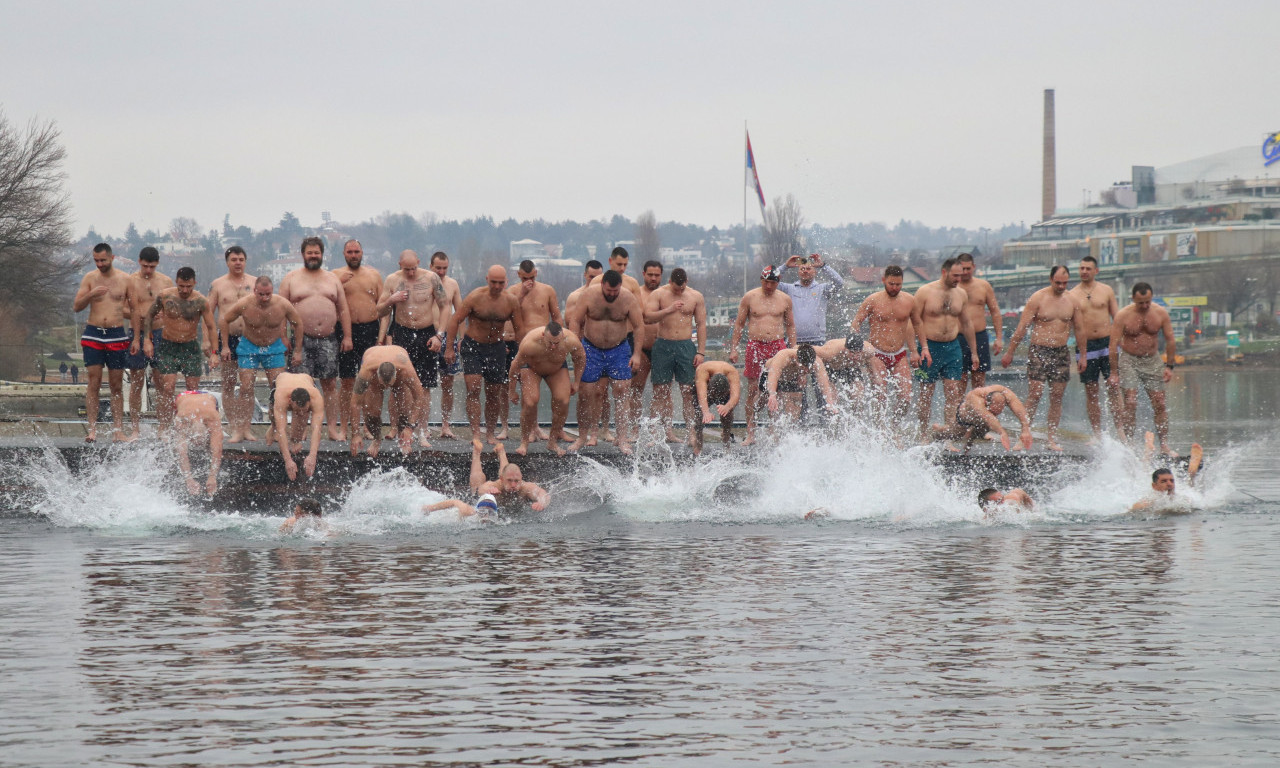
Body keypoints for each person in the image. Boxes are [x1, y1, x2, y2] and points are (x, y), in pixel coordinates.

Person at [1000, 265, 1087, 451]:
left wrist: (1083, 355)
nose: (1062, 286)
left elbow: (1079, 329)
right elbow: (1022, 327)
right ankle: (1023, 436)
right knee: (1035, 394)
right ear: (1050, 280)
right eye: (1058, 283)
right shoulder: (1038, 298)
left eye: (1065, 283)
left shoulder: (1072, 300)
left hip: (1061, 352)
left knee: (1057, 396)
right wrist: (1010, 352)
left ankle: (1051, 439)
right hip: (1039, 350)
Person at [278, 236, 353, 441]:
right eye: (310, 253)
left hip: (329, 339)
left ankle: (331, 429)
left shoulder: (332, 278)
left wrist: (347, 336)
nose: (313, 256)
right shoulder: (291, 278)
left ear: (322, 254)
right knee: (301, 387)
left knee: (329, 385)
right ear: (303, 254)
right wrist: (283, 337)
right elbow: (280, 309)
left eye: (316, 253)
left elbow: (343, 309)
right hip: (301, 341)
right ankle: (301, 430)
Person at [566, 270, 645, 454]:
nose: (611, 294)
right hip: (591, 348)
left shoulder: (627, 298)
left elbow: (639, 326)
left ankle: (622, 439)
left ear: (620, 287)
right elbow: (575, 321)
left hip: (618, 349)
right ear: (602, 285)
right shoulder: (589, 295)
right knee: (585, 393)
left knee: (622, 390)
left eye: (615, 291)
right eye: (609, 291)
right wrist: (576, 347)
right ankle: (582, 436)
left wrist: (637, 355)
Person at [445, 265, 524, 445]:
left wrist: (522, 355)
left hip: (497, 348)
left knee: (493, 393)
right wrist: (449, 348)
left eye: (501, 283)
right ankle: (475, 434)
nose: (497, 286)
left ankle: (489, 433)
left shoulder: (511, 301)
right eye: (494, 282)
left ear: (506, 282)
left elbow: (520, 329)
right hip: (473, 345)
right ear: (487, 279)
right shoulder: (475, 297)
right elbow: (456, 320)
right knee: (473, 389)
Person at [376, 250, 447, 446]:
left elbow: (445, 306)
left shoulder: (431, 278)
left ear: (419, 262)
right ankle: (402, 429)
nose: (410, 273)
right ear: (399, 264)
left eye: (413, 268)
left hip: (426, 333)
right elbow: (379, 310)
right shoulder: (392, 280)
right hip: (402, 333)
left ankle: (422, 431)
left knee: (424, 386)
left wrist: (439, 335)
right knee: (401, 385)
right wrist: (392, 299)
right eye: (406, 269)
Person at [138, 267, 218, 435]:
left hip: (190, 346)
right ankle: (164, 426)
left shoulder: (201, 301)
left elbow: (211, 326)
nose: (184, 290)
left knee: (192, 389)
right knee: (167, 387)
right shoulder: (165, 296)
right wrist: (147, 340)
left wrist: (214, 353)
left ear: (194, 283)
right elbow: (149, 316)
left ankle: (191, 426)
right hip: (168, 346)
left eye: (188, 286)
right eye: (181, 286)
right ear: (177, 282)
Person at [219, 276, 303, 436]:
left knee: (277, 389)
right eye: (261, 295)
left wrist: (298, 350)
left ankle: (277, 429)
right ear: (255, 291)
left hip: (274, 347)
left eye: (268, 294)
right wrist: (224, 346)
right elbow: (224, 320)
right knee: (245, 387)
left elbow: (298, 323)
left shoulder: (282, 304)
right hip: (249, 347)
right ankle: (243, 430)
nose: (264, 298)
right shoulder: (245, 304)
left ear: (272, 291)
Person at [911, 259, 979, 442]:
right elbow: (914, 322)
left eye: (961, 275)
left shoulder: (961, 294)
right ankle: (924, 433)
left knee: (953, 392)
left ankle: (948, 435)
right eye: (955, 275)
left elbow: (966, 323)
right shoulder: (925, 292)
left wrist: (973, 352)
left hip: (953, 347)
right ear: (944, 272)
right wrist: (918, 349)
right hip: (929, 347)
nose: (959, 278)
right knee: (926, 392)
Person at [73, 243, 135, 442]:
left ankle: (118, 430)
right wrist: (91, 294)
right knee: (94, 382)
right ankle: (92, 430)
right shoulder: (90, 278)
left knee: (116, 385)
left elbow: (134, 311)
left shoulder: (125, 279)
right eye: (96, 260)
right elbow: (76, 307)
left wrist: (138, 337)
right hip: (93, 333)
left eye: (103, 260)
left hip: (117, 333)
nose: (99, 264)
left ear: (112, 258)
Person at [728, 265, 796, 445]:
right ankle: (751, 432)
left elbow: (790, 326)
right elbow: (739, 324)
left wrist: (794, 350)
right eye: (766, 282)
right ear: (761, 280)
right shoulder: (750, 297)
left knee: (777, 391)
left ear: (778, 283)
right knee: (752, 390)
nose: (769, 287)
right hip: (755, 345)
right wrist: (734, 348)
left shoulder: (785, 299)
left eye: (773, 283)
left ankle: (774, 431)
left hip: (777, 346)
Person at [1109, 282, 1178, 455]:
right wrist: (1114, 372)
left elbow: (1170, 339)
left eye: (1148, 301)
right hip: (1129, 359)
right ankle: (1130, 445)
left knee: (1160, 403)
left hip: (1152, 360)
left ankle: (1163, 445)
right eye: (1141, 302)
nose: (1145, 305)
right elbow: (1113, 344)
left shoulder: (1160, 313)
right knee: (1130, 402)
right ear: (1133, 299)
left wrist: (1169, 366)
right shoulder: (1123, 315)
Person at [501, 259, 563, 442]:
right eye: (525, 277)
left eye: (532, 277)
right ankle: (505, 427)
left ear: (537, 273)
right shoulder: (512, 291)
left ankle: (534, 427)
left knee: (532, 390)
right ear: (519, 275)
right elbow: (505, 314)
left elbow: (557, 316)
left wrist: (560, 338)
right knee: (508, 386)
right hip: (518, 344)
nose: (529, 280)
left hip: (542, 345)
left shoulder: (547, 290)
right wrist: (522, 293)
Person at [645, 268, 707, 445]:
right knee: (660, 392)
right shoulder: (659, 294)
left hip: (685, 345)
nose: (679, 291)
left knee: (688, 392)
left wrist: (701, 352)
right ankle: (658, 434)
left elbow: (701, 324)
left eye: (682, 288)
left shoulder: (695, 296)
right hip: (663, 344)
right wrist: (669, 310)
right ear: (670, 282)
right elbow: (647, 317)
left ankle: (691, 434)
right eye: (676, 288)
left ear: (686, 281)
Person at [332, 239, 384, 444]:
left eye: (357, 251)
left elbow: (383, 308)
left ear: (363, 253)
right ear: (344, 254)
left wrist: (382, 337)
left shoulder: (374, 275)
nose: (354, 255)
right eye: (350, 252)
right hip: (345, 330)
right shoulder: (335, 275)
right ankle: (345, 427)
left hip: (370, 330)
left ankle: (368, 426)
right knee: (346, 382)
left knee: (370, 383)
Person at [850, 265, 919, 421]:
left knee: (906, 399)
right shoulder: (873, 300)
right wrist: (857, 346)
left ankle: (893, 428)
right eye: (891, 284)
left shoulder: (909, 300)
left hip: (899, 354)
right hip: (876, 353)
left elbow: (917, 324)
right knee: (880, 395)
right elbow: (856, 322)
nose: (894, 288)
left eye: (898, 284)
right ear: (884, 280)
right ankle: (879, 429)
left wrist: (916, 350)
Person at [507, 321, 585, 456]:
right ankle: (524, 442)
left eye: (557, 343)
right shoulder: (530, 343)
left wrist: (577, 382)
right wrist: (512, 390)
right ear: (543, 335)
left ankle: (552, 442)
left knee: (563, 400)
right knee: (530, 401)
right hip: (531, 368)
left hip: (556, 369)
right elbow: (514, 366)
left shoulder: (571, 340)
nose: (554, 347)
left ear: (562, 337)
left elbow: (580, 358)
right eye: (550, 343)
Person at [1068, 255, 1123, 440]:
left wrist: (1120, 343)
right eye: (1081, 268)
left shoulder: (1106, 290)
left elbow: (1118, 318)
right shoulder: (1072, 294)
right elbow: (1072, 325)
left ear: (1096, 271)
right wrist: (1081, 354)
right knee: (1091, 391)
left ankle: (1120, 430)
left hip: (1107, 343)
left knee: (1113, 387)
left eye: (1088, 268)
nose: (1084, 271)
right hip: (1086, 346)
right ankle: (1097, 433)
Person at [122, 247, 174, 438]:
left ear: (157, 264)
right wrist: (142, 314)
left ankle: (163, 427)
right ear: (139, 262)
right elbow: (122, 309)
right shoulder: (131, 281)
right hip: (137, 330)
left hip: (161, 332)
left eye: (152, 266)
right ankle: (135, 427)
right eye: (145, 266)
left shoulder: (165, 282)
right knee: (136, 381)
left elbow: (174, 309)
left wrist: (165, 313)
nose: (148, 270)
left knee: (162, 382)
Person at [208, 246, 256, 442]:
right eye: (234, 259)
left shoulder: (254, 283)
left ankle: (245, 427)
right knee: (228, 383)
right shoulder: (218, 285)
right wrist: (209, 344)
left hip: (250, 338)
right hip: (227, 339)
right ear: (227, 262)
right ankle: (233, 425)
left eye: (241, 259)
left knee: (248, 385)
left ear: (246, 261)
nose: (238, 262)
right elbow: (208, 316)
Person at [349, 345, 427, 458]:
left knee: (404, 409)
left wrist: (410, 428)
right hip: (372, 357)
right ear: (377, 375)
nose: (386, 387)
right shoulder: (367, 371)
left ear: (396, 375)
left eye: (389, 384)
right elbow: (355, 403)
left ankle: (403, 438)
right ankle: (376, 439)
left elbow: (419, 397)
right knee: (372, 413)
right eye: (383, 384)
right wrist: (355, 434)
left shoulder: (406, 371)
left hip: (399, 358)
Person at [563, 259, 610, 443]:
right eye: (591, 277)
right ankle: (584, 433)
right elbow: (570, 323)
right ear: (585, 275)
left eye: (598, 277)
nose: (594, 280)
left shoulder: (608, 297)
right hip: (583, 347)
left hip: (602, 348)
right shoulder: (576, 297)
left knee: (602, 392)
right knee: (584, 392)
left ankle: (602, 429)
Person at [931, 384, 1033, 453]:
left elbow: (1019, 409)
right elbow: (988, 417)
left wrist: (1025, 429)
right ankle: (936, 431)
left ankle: (968, 441)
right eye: (995, 410)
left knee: (982, 429)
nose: (999, 412)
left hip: (981, 421)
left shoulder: (1003, 392)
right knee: (954, 434)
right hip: (964, 418)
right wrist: (1002, 433)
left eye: (1001, 409)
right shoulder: (975, 398)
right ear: (986, 403)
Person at [955, 252, 1003, 391]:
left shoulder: (984, 286)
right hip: (958, 337)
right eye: (962, 269)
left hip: (979, 335)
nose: (965, 272)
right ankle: (958, 412)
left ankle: (977, 411)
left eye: (968, 269)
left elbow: (995, 311)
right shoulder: (953, 287)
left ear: (974, 267)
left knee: (979, 381)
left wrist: (998, 338)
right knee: (960, 380)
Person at [430, 252, 465, 439]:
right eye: (438, 268)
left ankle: (445, 425)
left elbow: (460, 313)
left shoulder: (452, 284)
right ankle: (422, 425)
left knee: (448, 383)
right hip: (427, 333)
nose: (442, 272)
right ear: (431, 267)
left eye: (445, 268)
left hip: (447, 338)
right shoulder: (424, 282)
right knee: (421, 383)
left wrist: (462, 339)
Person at [761, 343, 837, 425]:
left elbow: (824, 384)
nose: (807, 371)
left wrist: (830, 403)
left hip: (792, 377)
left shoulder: (816, 362)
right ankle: (752, 426)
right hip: (770, 375)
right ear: (796, 359)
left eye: (809, 369)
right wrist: (772, 394)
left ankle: (791, 429)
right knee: (761, 403)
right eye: (803, 368)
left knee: (795, 402)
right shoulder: (783, 356)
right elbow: (773, 376)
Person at [629, 260, 665, 430]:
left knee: (662, 391)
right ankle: (635, 428)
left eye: (656, 275)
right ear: (643, 274)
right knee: (636, 389)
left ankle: (658, 429)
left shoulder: (667, 295)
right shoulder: (637, 295)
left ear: (661, 276)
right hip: (641, 349)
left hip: (662, 348)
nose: (653, 278)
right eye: (650, 274)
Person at [269, 372, 325, 482]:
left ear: (310, 402)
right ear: (290, 401)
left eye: (304, 409)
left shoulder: (316, 398)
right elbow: (282, 430)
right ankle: (272, 427)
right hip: (281, 380)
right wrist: (288, 461)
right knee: (274, 417)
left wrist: (312, 456)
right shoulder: (281, 397)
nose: (299, 412)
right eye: (297, 409)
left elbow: (317, 429)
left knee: (301, 419)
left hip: (306, 379)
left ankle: (295, 439)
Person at [470, 438, 550, 512]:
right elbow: (481, 490)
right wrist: (488, 492)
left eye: (516, 481)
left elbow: (542, 493)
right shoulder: (496, 486)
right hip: (494, 485)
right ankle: (477, 452)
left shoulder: (525, 487)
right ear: (501, 479)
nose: (513, 485)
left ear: (521, 479)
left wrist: (541, 502)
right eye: (509, 481)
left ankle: (501, 451)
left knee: (508, 472)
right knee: (476, 488)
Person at [172, 390, 223, 497]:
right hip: (183, 397)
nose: (197, 445)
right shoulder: (181, 419)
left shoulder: (213, 419)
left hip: (208, 396)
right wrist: (188, 479)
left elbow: (217, 451)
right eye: (194, 442)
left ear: (208, 430)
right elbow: (182, 453)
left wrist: (213, 476)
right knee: (178, 441)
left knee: (215, 442)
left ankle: (210, 439)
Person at [1130, 443, 1203, 513]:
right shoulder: (1144, 504)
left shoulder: (1182, 500)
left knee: (1190, 489)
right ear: (1154, 486)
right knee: (1144, 473)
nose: (1169, 484)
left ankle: (1192, 474)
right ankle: (1148, 453)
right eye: (1163, 481)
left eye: (1172, 481)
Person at [814, 331, 874, 411]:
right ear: (845, 349)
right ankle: (834, 420)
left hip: (851, 367)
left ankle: (856, 421)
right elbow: (805, 350)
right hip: (830, 367)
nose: (855, 357)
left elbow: (871, 368)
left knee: (858, 397)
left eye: (858, 353)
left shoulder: (869, 351)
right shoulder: (830, 352)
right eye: (852, 353)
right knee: (833, 399)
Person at [692, 360, 742, 456]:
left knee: (728, 413)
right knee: (699, 414)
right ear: (709, 380)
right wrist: (706, 412)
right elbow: (701, 396)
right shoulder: (703, 371)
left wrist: (727, 407)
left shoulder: (732, 373)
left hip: (723, 387)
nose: (717, 397)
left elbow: (735, 396)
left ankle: (726, 439)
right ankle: (698, 444)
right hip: (705, 387)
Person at [424, 492, 499, 521]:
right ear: (477, 510)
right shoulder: (469, 512)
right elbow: (454, 502)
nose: (486, 515)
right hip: (445, 516)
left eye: (491, 513)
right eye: (483, 511)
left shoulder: (498, 523)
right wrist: (431, 508)